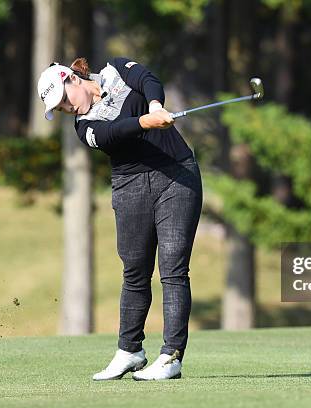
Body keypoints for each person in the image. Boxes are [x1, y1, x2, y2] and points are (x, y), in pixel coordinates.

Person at [36, 57, 203, 381]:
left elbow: (147, 78)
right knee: (135, 271)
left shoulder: (115, 71)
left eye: (64, 100)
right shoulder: (85, 129)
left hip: (177, 176)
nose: (65, 109)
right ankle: (130, 351)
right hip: (131, 187)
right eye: (58, 109)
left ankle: (171, 357)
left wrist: (155, 104)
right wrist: (147, 121)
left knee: (173, 269)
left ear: (71, 78)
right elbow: (116, 131)